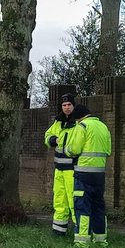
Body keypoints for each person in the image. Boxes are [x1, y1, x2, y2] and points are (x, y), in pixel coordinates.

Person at [64, 101, 112, 248]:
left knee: (82, 207)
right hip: (99, 174)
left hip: (83, 173)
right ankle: (100, 240)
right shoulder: (103, 126)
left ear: (79, 118)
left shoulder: (82, 126)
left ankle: (81, 242)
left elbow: (74, 149)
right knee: (98, 207)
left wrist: (67, 149)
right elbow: (108, 150)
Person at [44, 93, 77, 235]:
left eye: (69, 105)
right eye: (64, 105)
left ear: (73, 106)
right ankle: (58, 232)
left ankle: (80, 231)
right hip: (59, 169)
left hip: (72, 169)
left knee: (74, 201)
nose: (67, 108)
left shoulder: (78, 122)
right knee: (59, 201)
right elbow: (47, 136)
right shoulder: (58, 122)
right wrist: (52, 140)